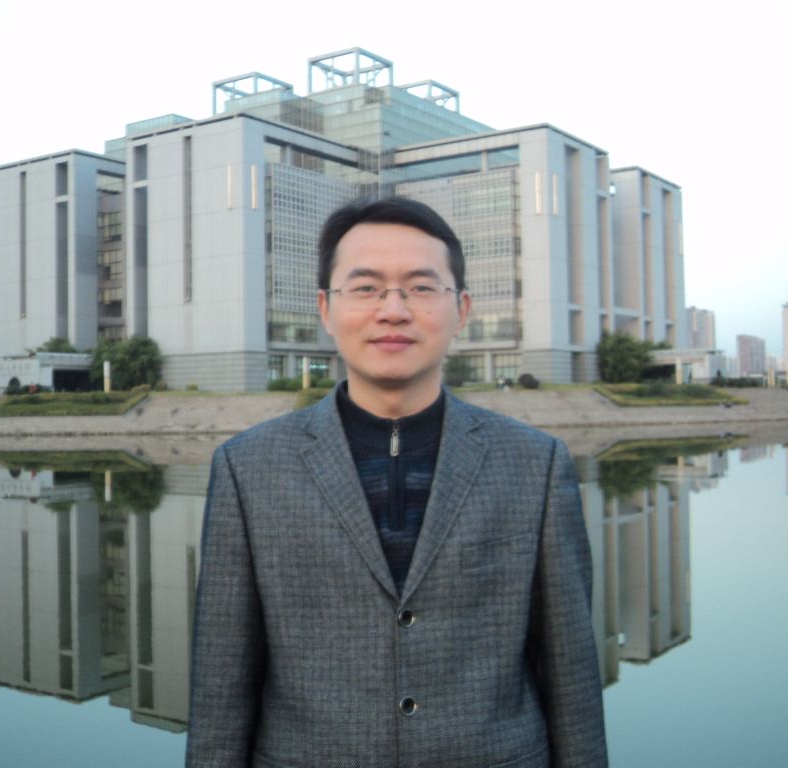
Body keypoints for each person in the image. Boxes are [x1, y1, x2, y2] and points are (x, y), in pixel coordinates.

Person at [186, 197, 608, 767]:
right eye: (365, 287)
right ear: (326, 308)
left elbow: (571, 672)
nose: (393, 310)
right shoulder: (248, 467)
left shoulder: (537, 464)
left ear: (461, 309)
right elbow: (221, 684)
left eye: (420, 287)